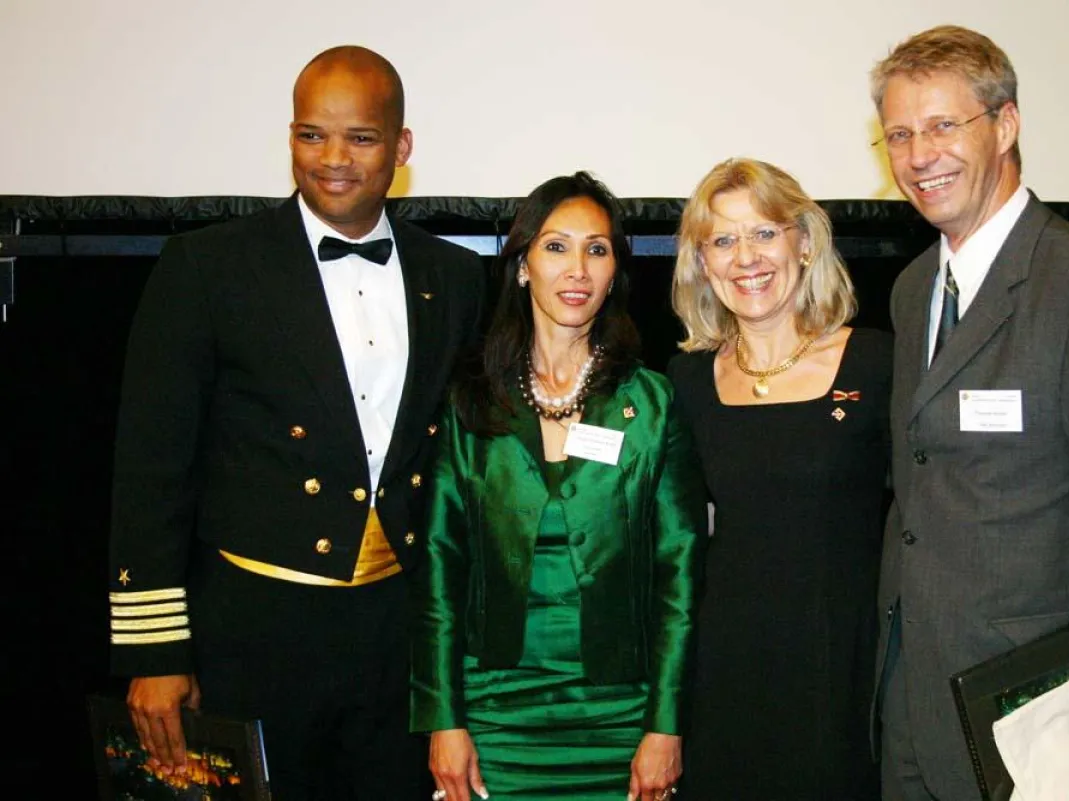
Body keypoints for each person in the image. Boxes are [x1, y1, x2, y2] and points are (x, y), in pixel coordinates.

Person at [108, 45, 484, 800]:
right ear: (289, 137)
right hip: (253, 636)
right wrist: (154, 650)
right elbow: (151, 468)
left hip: (397, 635)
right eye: (312, 134)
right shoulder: (207, 267)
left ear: (402, 148)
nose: (334, 159)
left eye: (362, 137)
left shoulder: (456, 276)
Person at [870, 25, 1069, 801]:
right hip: (916, 703)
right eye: (900, 134)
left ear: (1007, 124)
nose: (921, 155)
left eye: (945, 125)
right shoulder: (914, 288)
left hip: (1047, 717)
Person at [410, 171, 708, 801]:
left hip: (621, 717)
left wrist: (666, 725)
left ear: (614, 272)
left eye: (597, 250)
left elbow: (679, 574)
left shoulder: (650, 403)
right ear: (522, 267)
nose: (578, 269)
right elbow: (440, 569)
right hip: (494, 714)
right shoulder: (472, 402)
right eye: (556, 247)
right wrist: (443, 717)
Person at [667, 157, 892, 799]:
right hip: (725, 676)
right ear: (702, 262)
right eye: (724, 240)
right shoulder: (686, 382)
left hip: (841, 674)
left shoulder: (877, 362)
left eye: (764, 233)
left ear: (803, 241)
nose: (747, 258)